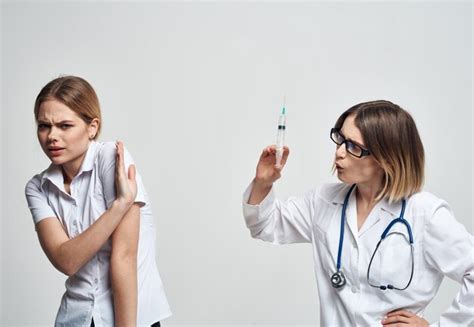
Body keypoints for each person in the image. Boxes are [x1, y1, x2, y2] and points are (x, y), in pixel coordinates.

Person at [242, 100, 473, 326]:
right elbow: (265, 225)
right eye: (340, 139)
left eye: (353, 146)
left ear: (386, 157)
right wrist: (263, 182)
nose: (339, 153)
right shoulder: (325, 200)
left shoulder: (425, 213)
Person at [25, 76, 171, 327]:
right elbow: (66, 260)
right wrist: (119, 206)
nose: (52, 136)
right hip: (76, 318)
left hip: (131, 319)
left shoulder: (112, 159)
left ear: (92, 127)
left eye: (65, 125)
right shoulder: (38, 188)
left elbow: (124, 256)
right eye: (43, 126)